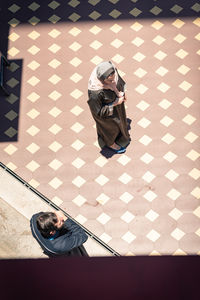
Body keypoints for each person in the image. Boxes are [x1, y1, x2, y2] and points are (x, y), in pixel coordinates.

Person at [87, 61, 130, 154]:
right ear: (102, 79)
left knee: (120, 121)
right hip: (106, 116)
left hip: (117, 104)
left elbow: (119, 81)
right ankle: (110, 144)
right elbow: (98, 112)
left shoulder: (111, 70)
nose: (113, 82)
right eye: (110, 81)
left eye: (114, 78)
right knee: (110, 128)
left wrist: (121, 92)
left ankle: (119, 133)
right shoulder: (95, 93)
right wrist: (114, 103)